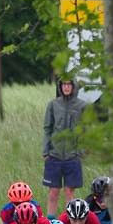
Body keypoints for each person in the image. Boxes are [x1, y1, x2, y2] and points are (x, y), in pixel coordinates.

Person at [42, 77, 87, 215]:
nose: (66, 87)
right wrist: (46, 151)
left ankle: (69, 222)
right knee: (53, 193)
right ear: (60, 86)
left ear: (74, 86)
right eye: (63, 84)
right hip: (54, 155)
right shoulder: (53, 104)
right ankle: (51, 223)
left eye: (69, 84)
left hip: (73, 156)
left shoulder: (82, 106)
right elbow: (48, 128)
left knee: (69, 193)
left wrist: (81, 151)